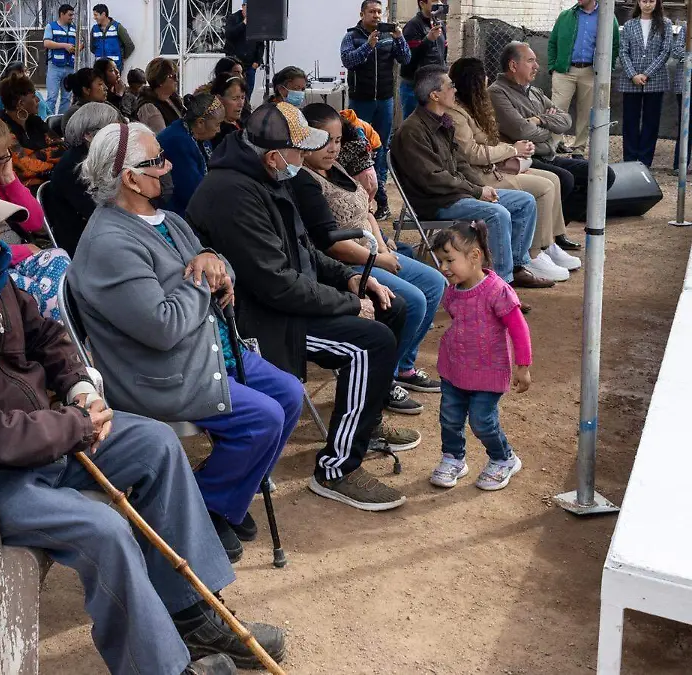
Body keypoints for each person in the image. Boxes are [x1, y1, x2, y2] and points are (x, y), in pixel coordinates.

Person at [0, 159, 285, 675]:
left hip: (39, 444)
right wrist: (68, 427)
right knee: (103, 529)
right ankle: (160, 668)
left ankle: (193, 616)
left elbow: (47, 335)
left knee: (157, 445)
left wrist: (78, 385)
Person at [70, 121, 305, 562]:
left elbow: (214, 264)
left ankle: (221, 497)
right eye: (157, 161)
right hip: (165, 371)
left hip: (208, 349)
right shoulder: (109, 244)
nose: (169, 165)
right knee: (264, 418)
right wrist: (203, 278)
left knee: (290, 394)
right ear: (130, 178)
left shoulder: (169, 220)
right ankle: (205, 506)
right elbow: (163, 327)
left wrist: (215, 264)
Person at [185, 102, 410, 512]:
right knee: (370, 343)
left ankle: (367, 423)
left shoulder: (266, 175)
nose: (305, 157)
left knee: (391, 307)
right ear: (274, 155)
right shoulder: (233, 194)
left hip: (285, 302)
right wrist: (348, 303)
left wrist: (349, 279)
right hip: (258, 319)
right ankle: (337, 470)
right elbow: (275, 285)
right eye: (299, 149)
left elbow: (302, 251)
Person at [299, 104, 444, 414]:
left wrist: (384, 249)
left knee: (435, 282)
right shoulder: (304, 180)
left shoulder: (335, 167)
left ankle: (402, 367)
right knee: (413, 300)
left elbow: (366, 211)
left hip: (372, 249)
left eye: (337, 140)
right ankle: (382, 379)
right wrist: (377, 259)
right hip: (347, 263)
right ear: (305, 139)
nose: (333, 148)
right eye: (325, 140)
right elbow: (329, 244)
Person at [392, 66, 546, 290]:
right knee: (497, 214)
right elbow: (434, 179)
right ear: (435, 95)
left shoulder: (442, 120)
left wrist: (482, 187)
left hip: (457, 194)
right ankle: (499, 287)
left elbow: (461, 163)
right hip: (437, 202)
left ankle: (516, 267)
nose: (455, 90)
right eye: (450, 86)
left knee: (525, 201)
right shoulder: (412, 131)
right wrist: (477, 191)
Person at [448, 57, 581, 282]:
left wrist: (529, 134)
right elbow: (472, 153)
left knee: (555, 179)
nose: (487, 81)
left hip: (495, 166)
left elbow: (562, 121)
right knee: (544, 188)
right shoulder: (458, 113)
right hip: (481, 175)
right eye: (483, 78)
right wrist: (512, 150)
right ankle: (533, 253)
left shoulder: (476, 106)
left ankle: (549, 244)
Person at [428, 221, 530, 491]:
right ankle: (453, 458)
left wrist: (523, 366)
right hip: (454, 368)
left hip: (489, 371)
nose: (443, 268)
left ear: (474, 256)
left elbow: (518, 328)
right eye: (440, 261)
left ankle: (504, 458)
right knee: (449, 418)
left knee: (482, 421)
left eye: (449, 260)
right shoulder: (453, 290)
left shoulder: (497, 290)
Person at [0, 113, 70, 320]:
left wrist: (10, 179)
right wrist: (21, 251)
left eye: (2, 158)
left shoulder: (1, 175)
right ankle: (63, 335)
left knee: (62, 264)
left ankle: (66, 332)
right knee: (33, 292)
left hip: (12, 255)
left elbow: (35, 223)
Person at [489, 42, 613, 230]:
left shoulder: (535, 92)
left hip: (547, 155)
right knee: (565, 179)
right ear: (513, 65)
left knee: (603, 173)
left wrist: (539, 120)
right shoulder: (497, 92)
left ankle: (557, 231)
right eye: (530, 61)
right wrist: (551, 128)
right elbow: (522, 131)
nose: (536, 66)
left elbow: (566, 120)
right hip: (523, 159)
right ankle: (548, 235)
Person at [340, 0, 410, 221]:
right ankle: (358, 198)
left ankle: (382, 201)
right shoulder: (351, 36)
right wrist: (368, 45)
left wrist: (400, 38)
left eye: (379, 12)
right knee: (358, 147)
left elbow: (406, 59)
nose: (376, 15)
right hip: (361, 101)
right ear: (362, 14)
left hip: (385, 101)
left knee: (380, 148)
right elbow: (348, 61)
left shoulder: (389, 36)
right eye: (371, 12)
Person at [548, 0, 619, 157]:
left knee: (586, 112)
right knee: (557, 109)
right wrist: (553, 67)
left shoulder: (607, 17)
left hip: (591, 72)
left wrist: (606, 69)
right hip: (564, 71)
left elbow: (614, 45)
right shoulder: (565, 16)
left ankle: (578, 149)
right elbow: (552, 42)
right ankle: (553, 146)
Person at [47, 102, 119, 254]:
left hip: (102, 230)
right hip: (83, 242)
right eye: (111, 131)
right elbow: (97, 212)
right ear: (89, 135)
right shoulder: (72, 167)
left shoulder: (95, 157)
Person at [617, 0, 676, 167]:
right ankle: (629, 159)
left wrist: (647, 73)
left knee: (651, 121)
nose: (648, 5)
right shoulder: (629, 25)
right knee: (630, 120)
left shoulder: (665, 24)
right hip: (631, 80)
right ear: (639, 2)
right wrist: (633, 74)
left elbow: (665, 51)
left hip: (655, 79)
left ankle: (645, 160)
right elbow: (623, 51)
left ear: (657, 3)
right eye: (644, 1)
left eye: (651, 1)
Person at [157, 92, 224, 217]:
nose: (219, 130)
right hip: (177, 214)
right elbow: (192, 192)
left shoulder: (197, 134)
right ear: (200, 122)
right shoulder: (177, 142)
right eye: (217, 124)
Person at [0, 74, 64, 189]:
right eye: (33, 96)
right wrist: (51, 161)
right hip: (23, 188)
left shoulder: (35, 121)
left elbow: (62, 148)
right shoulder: (2, 129)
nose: (38, 100)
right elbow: (23, 167)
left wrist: (35, 155)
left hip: (50, 179)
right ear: (20, 103)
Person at [400, 0, 449, 119]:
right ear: (422, 3)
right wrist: (428, 40)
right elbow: (408, 59)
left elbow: (443, 53)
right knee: (414, 123)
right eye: (434, 0)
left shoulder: (440, 24)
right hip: (415, 86)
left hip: (435, 85)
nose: (439, 3)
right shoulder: (413, 26)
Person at [43, 4, 79, 115]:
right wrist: (64, 46)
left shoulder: (74, 28)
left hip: (69, 67)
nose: (72, 17)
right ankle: (49, 120)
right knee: (52, 97)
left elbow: (78, 44)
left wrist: (77, 48)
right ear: (62, 14)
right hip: (55, 66)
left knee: (66, 98)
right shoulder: (51, 27)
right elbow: (46, 43)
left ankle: (61, 120)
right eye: (70, 15)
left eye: (73, 15)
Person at [224, 3, 264, 99]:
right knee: (234, 88)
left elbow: (260, 43)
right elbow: (229, 35)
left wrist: (257, 61)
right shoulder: (233, 18)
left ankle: (246, 106)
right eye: (248, 8)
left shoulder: (256, 21)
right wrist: (243, 24)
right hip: (235, 63)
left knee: (248, 91)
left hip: (250, 65)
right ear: (243, 7)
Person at [136, 58, 185, 134]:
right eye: (173, 76)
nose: (177, 80)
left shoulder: (173, 99)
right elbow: (162, 137)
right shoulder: (149, 107)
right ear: (160, 80)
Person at [88, 4, 134, 70]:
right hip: (99, 68)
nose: (94, 18)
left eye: (96, 15)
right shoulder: (94, 29)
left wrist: (122, 58)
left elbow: (129, 45)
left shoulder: (117, 27)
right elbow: (92, 48)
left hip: (115, 67)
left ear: (103, 14)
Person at [209, 74, 247, 148]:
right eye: (235, 99)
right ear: (219, 99)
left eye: (243, 98)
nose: (241, 104)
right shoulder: (218, 133)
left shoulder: (243, 122)